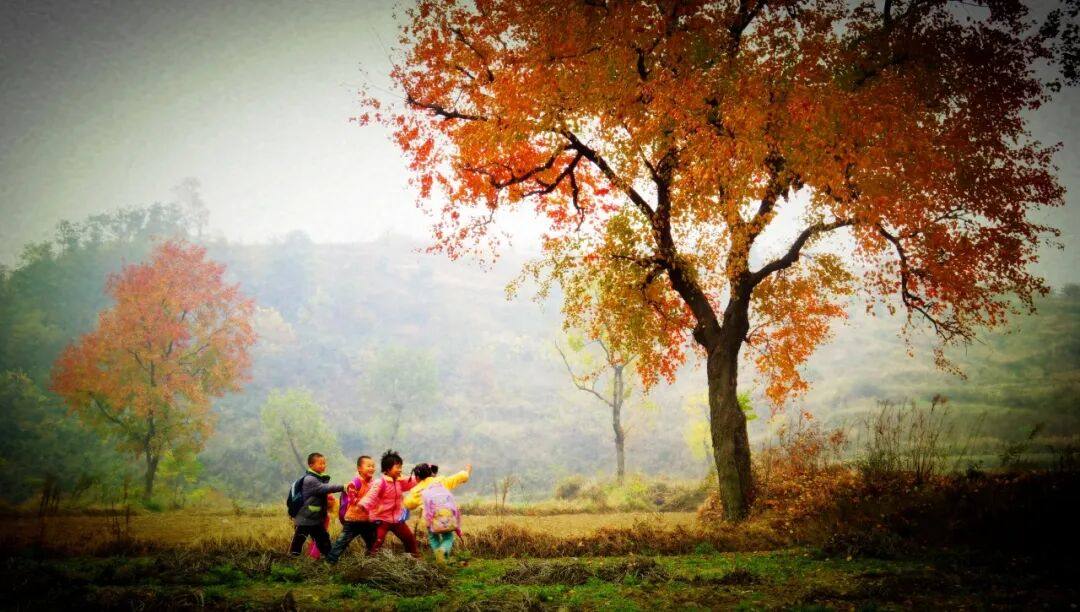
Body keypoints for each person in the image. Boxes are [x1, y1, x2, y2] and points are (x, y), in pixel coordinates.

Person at [405, 462, 472, 563]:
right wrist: (467, 471)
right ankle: (443, 551)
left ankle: (439, 557)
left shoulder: (417, 490)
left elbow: (408, 504)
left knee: (433, 537)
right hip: (446, 516)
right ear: (430, 472)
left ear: (417, 477)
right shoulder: (441, 481)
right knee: (448, 537)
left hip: (430, 520)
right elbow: (461, 476)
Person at [358, 449, 420, 557]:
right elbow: (371, 495)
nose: (400, 470)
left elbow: (413, 481)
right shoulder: (380, 482)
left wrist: (424, 477)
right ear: (387, 468)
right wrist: (364, 504)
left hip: (397, 519)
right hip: (381, 519)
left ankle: (414, 559)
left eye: (401, 467)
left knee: (409, 538)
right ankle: (369, 563)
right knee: (377, 542)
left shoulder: (399, 482)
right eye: (397, 467)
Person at [288, 452, 345, 558]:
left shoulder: (318, 478)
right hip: (306, 517)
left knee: (322, 537)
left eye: (324, 463)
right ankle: (293, 557)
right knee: (300, 538)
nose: (323, 466)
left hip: (315, 518)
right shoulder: (310, 480)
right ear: (311, 465)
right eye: (320, 464)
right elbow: (325, 488)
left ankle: (329, 556)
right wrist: (343, 487)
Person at [326, 455, 377, 563]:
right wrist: (367, 503)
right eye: (368, 466)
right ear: (359, 468)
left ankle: (370, 563)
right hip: (353, 520)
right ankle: (330, 562)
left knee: (372, 542)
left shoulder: (373, 483)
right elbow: (352, 500)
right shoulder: (355, 483)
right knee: (342, 542)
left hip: (367, 520)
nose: (372, 468)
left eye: (373, 466)